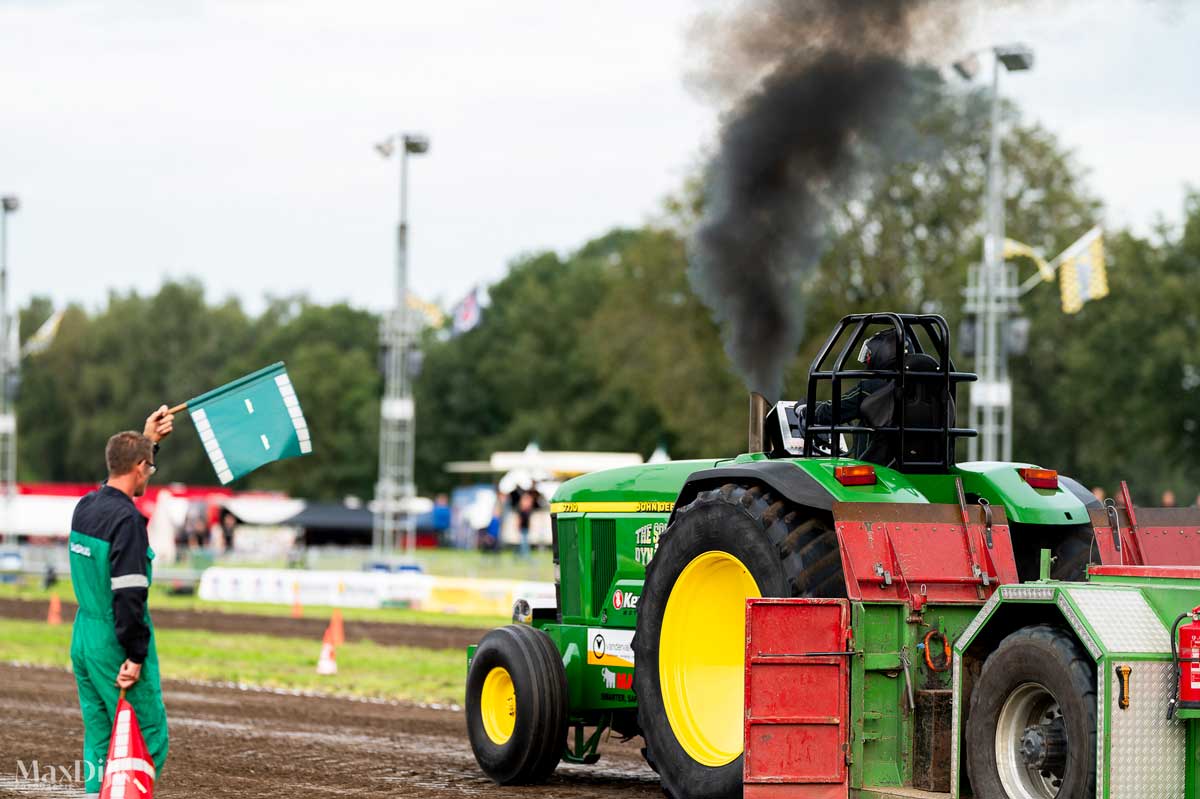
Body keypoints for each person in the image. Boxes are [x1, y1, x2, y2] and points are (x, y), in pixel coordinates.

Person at [69, 406, 173, 797]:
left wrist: (150, 444)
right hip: (115, 641)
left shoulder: (87, 506)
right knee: (146, 738)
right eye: (150, 467)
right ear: (141, 467)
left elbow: (114, 486)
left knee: (100, 737)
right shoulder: (127, 522)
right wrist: (135, 653)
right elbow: (129, 594)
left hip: (84, 637)